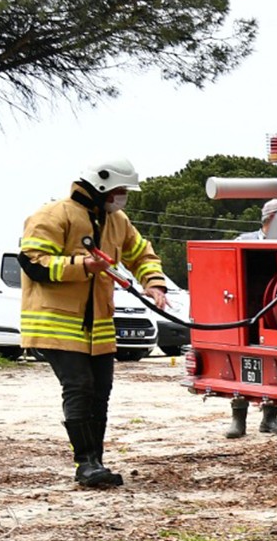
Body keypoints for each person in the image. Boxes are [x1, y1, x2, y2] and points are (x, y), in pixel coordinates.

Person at [18, 159, 169, 489]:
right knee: (79, 387)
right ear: (101, 186)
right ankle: (85, 463)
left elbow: (142, 254)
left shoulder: (119, 221)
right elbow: (33, 263)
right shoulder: (53, 214)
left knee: (100, 392)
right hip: (54, 324)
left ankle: (95, 462)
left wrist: (154, 282)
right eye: (119, 190)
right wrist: (83, 264)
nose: (123, 197)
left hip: (98, 327)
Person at [225, 199, 277, 439]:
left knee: (275, 366)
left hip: (274, 314)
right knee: (243, 368)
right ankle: (238, 421)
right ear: (272, 219)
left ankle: (269, 419)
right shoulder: (244, 242)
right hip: (246, 313)